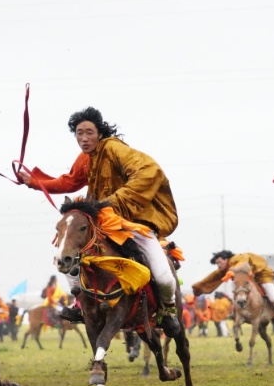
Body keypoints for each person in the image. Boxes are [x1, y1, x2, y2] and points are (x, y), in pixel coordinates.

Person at [19, 107, 180, 336]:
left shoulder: (114, 149)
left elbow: (149, 171)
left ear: (100, 132)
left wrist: (114, 201)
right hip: (102, 225)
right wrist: (34, 181)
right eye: (79, 133)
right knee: (67, 255)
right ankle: (80, 304)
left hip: (132, 225)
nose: (84, 138)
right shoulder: (87, 157)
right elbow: (69, 181)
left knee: (164, 275)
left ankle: (167, 310)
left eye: (89, 132)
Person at [192, 250, 274, 315]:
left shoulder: (237, 258)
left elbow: (243, 263)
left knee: (272, 297)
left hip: (262, 275)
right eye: (216, 263)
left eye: (219, 262)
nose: (218, 265)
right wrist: (198, 286)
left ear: (226, 259)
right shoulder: (226, 268)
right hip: (251, 279)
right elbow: (212, 277)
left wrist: (233, 270)